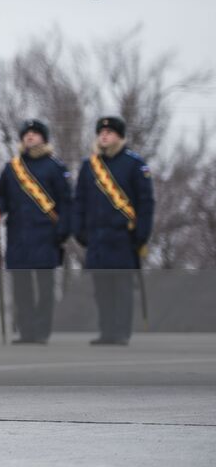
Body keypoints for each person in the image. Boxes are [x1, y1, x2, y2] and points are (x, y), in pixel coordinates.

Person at [74, 115, 155, 346]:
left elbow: (146, 202)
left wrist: (141, 235)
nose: (104, 135)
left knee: (121, 289)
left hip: (123, 237)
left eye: (109, 132)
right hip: (97, 238)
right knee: (102, 290)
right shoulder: (89, 166)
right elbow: (79, 201)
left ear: (119, 136)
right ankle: (107, 331)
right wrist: (80, 231)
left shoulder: (134, 164)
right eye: (101, 132)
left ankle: (121, 332)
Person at [0, 118, 73, 345]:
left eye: (35, 133)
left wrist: (63, 231)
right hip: (18, 235)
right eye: (26, 134)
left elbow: (66, 202)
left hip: (45, 235)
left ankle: (42, 331)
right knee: (21, 289)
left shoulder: (55, 167)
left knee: (45, 288)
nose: (30, 137)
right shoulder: (11, 169)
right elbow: (2, 200)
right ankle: (26, 331)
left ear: (44, 138)